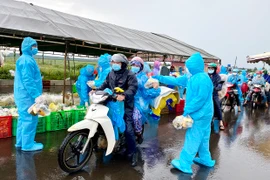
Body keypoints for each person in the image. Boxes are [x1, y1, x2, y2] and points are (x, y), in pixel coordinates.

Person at [154, 53, 215, 174]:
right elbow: (176, 80)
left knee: (193, 137)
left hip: (200, 114)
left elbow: (200, 99)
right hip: (203, 114)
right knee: (203, 137)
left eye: (188, 66)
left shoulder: (202, 79)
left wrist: (187, 111)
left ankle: (185, 163)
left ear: (194, 66)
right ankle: (205, 158)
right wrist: (159, 78)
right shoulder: (191, 76)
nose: (187, 68)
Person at [95, 53, 138, 166]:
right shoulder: (111, 73)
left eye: (117, 63)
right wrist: (96, 91)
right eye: (113, 62)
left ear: (123, 64)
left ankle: (132, 153)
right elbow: (105, 84)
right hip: (112, 102)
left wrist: (124, 95)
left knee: (128, 129)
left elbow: (133, 88)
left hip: (126, 104)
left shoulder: (130, 74)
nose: (114, 64)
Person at [14, 37, 44, 151]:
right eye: (33, 46)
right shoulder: (27, 60)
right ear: (27, 47)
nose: (35, 48)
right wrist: (36, 95)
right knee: (30, 119)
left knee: (23, 119)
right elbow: (28, 80)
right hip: (27, 96)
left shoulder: (24, 59)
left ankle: (21, 142)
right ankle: (28, 145)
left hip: (22, 95)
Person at [130, 57, 160, 143]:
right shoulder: (128, 74)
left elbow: (143, 87)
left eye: (137, 65)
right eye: (133, 65)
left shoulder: (143, 77)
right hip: (127, 99)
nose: (134, 66)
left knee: (136, 117)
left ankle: (139, 133)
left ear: (141, 67)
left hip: (139, 102)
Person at [208, 63, 224, 130]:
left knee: (217, 106)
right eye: (209, 68)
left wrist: (216, 88)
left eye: (212, 68)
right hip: (207, 95)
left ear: (214, 69)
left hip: (214, 94)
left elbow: (219, 85)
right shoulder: (206, 76)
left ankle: (221, 122)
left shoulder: (217, 77)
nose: (210, 69)